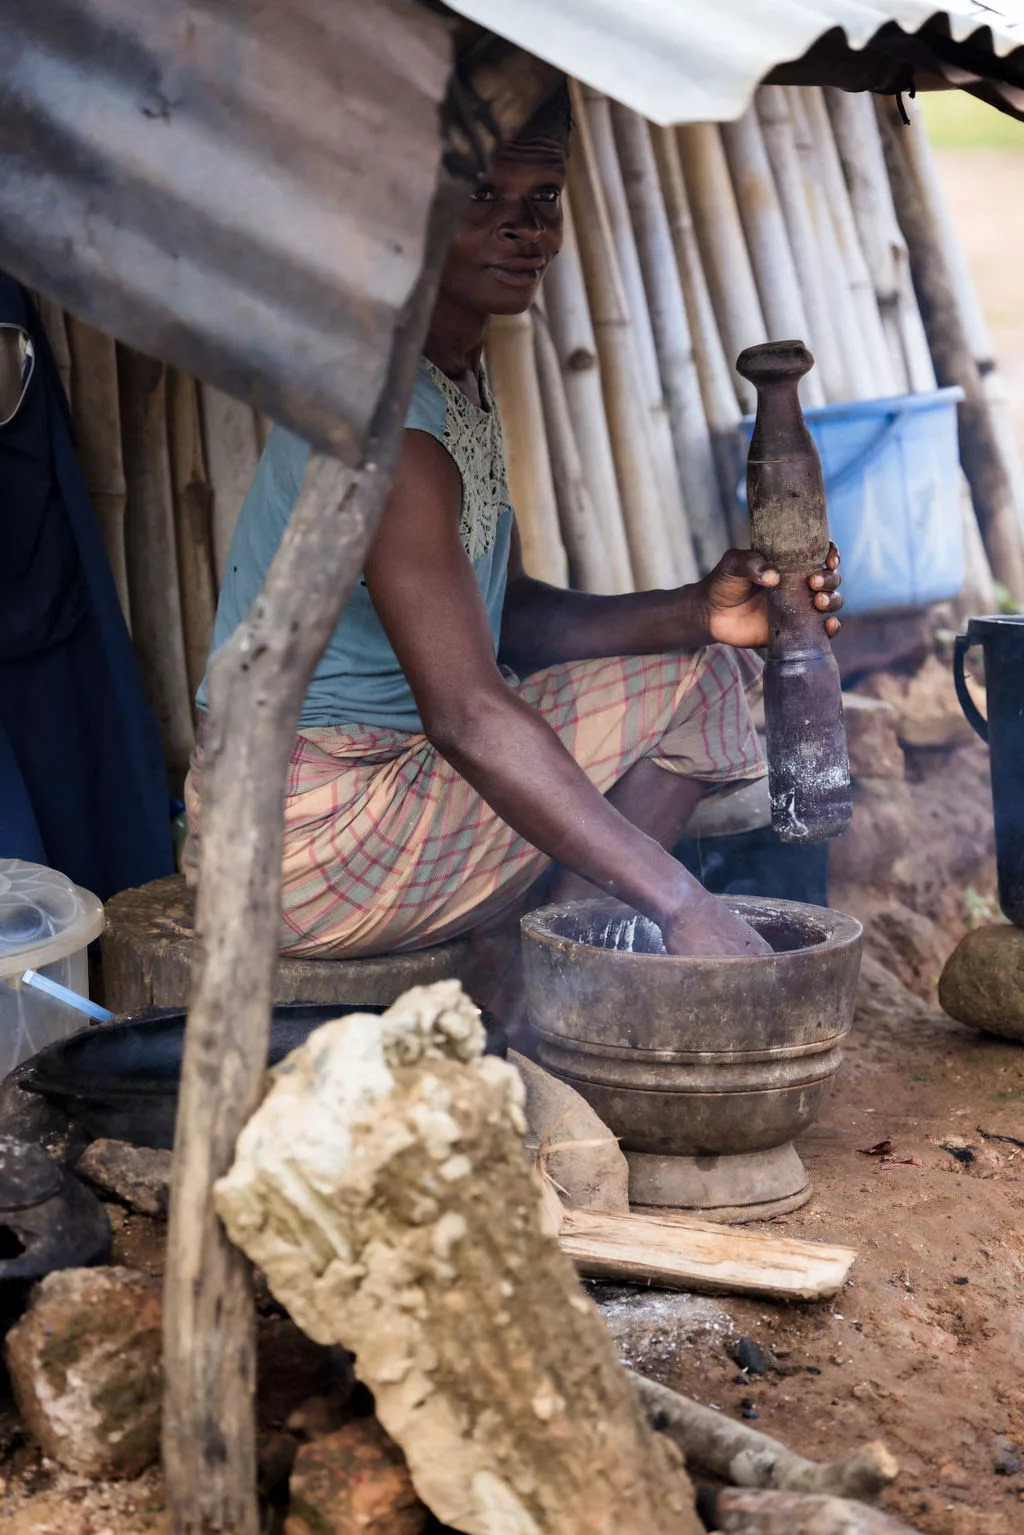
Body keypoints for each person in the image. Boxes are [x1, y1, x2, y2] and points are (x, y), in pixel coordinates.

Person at [184, 82, 841, 993]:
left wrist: (698, 609)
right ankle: (561, 989)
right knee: (694, 688)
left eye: (543, 199)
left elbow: (514, 616)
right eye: (482, 197)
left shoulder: (449, 377)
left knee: (706, 662)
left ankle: (556, 978)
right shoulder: (394, 433)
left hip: (341, 802)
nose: (523, 227)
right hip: (302, 844)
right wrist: (687, 903)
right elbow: (466, 713)